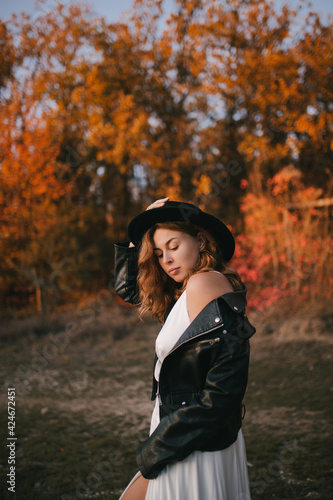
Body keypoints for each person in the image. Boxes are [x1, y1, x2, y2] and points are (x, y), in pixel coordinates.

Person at [114, 197, 256, 500]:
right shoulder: (188, 289)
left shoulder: (202, 285)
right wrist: (138, 235)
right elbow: (128, 288)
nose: (165, 259)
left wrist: (155, 453)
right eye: (158, 252)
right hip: (183, 430)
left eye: (174, 246)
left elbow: (222, 393)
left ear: (201, 240)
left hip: (192, 441)